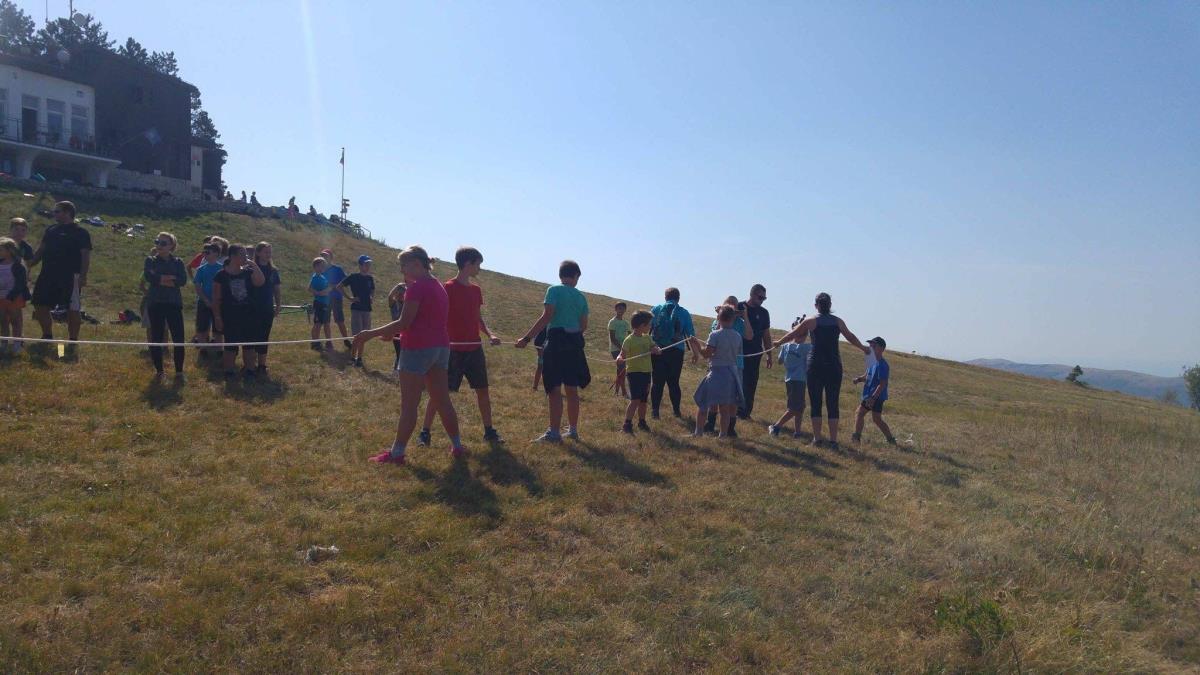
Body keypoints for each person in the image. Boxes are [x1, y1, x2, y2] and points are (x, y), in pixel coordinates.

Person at [356, 245, 466, 464]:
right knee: (442, 401)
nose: (401, 270)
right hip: (440, 348)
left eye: (403, 265)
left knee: (409, 406)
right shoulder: (438, 286)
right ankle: (457, 446)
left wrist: (369, 334)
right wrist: (393, 332)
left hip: (417, 349)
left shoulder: (416, 288)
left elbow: (404, 322)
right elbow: (420, 320)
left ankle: (397, 453)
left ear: (416, 264)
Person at [418, 247, 504, 444]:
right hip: (452, 350)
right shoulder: (447, 288)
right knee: (439, 393)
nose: (479, 268)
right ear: (467, 264)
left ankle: (489, 431)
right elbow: (436, 316)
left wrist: (490, 334)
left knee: (483, 391)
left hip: (474, 349)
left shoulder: (476, 290)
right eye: (478, 264)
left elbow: (478, 319)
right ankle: (425, 432)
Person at [775, 292, 870, 450]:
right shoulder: (838, 321)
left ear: (816, 306)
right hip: (834, 366)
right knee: (833, 403)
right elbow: (850, 336)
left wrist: (779, 342)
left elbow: (793, 333)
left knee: (816, 403)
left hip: (815, 366)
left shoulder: (811, 321)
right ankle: (833, 441)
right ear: (830, 305)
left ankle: (817, 439)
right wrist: (863, 348)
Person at [515, 260, 590, 443]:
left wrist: (526, 338)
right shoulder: (581, 297)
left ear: (560, 275)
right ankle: (573, 430)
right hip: (574, 346)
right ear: (576, 276)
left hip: (556, 343)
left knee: (554, 389)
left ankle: (554, 433)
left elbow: (547, 317)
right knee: (572, 390)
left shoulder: (553, 290)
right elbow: (583, 326)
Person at [29, 201, 91, 357]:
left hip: (70, 276)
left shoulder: (81, 232)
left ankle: (72, 340)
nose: (54, 214)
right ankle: (47, 335)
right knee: (39, 303)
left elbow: (85, 255)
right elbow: (41, 250)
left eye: (57, 211)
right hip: (48, 274)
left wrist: (83, 276)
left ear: (67, 212)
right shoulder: (51, 230)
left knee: (72, 309)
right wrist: (29, 264)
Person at [688, 305, 744, 438]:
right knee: (724, 408)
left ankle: (698, 432)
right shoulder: (737, 336)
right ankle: (723, 435)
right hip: (731, 375)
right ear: (733, 319)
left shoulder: (715, 335)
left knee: (703, 404)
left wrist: (696, 344)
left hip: (717, 373)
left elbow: (706, 354)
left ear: (719, 318)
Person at [212, 244, 265, 379]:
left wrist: (254, 265)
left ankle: (250, 370)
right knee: (230, 345)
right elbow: (216, 299)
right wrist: (217, 317)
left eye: (246, 254)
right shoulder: (221, 275)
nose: (245, 257)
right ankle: (229, 371)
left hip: (248, 315)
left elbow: (260, 282)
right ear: (232, 256)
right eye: (242, 254)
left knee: (249, 345)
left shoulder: (248, 272)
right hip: (229, 316)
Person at [704, 296, 755, 436]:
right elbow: (715, 334)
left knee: (733, 398)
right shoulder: (717, 321)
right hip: (717, 363)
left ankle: (730, 428)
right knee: (714, 394)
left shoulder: (740, 322)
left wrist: (745, 316)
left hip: (735, 365)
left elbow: (750, 336)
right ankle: (710, 423)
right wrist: (719, 317)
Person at [649, 288, 700, 419]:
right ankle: (676, 411)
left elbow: (647, 329)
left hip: (658, 350)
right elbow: (691, 335)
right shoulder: (684, 313)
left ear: (665, 297)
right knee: (674, 383)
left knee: (657, 382)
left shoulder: (656, 309)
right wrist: (695, 353)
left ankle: (655, 411)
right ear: (678, 298)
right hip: (676, 351)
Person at [143, 232, 188, 379]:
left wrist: (160, 279)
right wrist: (169, 279)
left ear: (171, 246)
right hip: (155, 303)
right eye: (157, 242)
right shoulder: (150, 260)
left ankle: (179, 371)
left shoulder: (178, 262)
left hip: (173, 303)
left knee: (178, 338)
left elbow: (182, 280)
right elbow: (150, 277)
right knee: (156, 337)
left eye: (163, 243)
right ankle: (159, 371)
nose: (159, 245)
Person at [617, 310, 660, 433]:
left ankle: (642, 422)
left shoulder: (647, 338)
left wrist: (656, 349)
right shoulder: (629, 340)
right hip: (634, 373)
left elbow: (654, 347)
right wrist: (619, 358)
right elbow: (622, 354)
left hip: (646, 373)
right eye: (649, 324)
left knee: (643, 400)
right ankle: (627, 424)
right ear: (642, 325)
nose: (650, 326)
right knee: (635, 400)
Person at [768, 315, 811, 438]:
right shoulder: (807, 347)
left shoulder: (785, 346)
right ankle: (776, 427)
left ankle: (797, 432)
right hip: (799, 380)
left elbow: (780, 361)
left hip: (789, 379)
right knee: (794, 408)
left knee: (800, 407)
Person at [738, 284, 773, 420]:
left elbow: (766, 335)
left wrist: (769, 354)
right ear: (752, 294)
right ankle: (733, 409)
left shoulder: (764, 313)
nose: (762, 300)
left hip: (755, 353)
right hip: (738, 352)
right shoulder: (739, 306)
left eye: (764, 298)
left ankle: (746, 412)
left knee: (751, 383)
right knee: (737, 380)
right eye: (760, 297)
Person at [852, 337, 897, 445]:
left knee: (859, 413)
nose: (870, 347)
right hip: (872, 395)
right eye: (870, 345)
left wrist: (873, 398)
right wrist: (859, 379)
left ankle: (856, 439)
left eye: (874, 346)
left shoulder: (882, 365)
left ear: (881, 349)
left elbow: (882, 384)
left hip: (875, 396)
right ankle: (891, 440)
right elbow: (867, 375)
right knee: (877, 419)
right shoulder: (872, 361)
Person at [337, 254, 376, 367]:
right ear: (360, 265)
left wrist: (371, 297)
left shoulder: (370, 278)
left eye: (369, 264)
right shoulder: (353, 277)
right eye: (365, 264)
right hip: (357, 309)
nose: (368, 266)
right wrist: (350, 298)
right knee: (357, 335)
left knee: (364, 335)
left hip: (367, 309)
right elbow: (339, 286)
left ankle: (359, 358)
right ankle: (352, 357)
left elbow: (372, 289)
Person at [251, 242, 282, 374]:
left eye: (270, 252)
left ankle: (262, 365)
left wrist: (278, 305)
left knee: (264, 336)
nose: (268, 254)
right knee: (252, 336)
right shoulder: (250, 268)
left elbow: (277, 289)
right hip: (252, 308)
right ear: (258, 253)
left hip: (267, 308)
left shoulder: (273, 271)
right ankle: (250, 365)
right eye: (266, 251)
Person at [6, 218, 33, 350]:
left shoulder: (26, 248)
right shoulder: (3, 244)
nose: (19, 233)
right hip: (3, 283)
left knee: (16, 314)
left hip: (18, 285)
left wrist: (24, 282)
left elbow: (28, 266)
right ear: (10, 230)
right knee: (3, 315)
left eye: (23, 230)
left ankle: (18, 340)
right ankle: (4, 341)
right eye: (16, 229)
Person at [0, 237, 30, 354]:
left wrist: (11, 297)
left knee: (15, 321)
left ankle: (17, 345)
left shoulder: (18, 266)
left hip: (14, 298)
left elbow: (20, 284)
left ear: (9, 251)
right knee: (3, 321)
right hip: (1, 298)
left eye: (1, 249)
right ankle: (4, 344)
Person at [192, 243, 223, 353]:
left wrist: (217, 301)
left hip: (218, 302)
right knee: (202, 326)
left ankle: (219, 349)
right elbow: (197, 286)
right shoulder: (201, 269)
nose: (204, 254)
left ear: (216, 253)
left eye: (207, 252)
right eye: (204, 252)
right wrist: (205, 300)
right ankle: (203, 349)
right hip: (203, 302)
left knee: (218, 327)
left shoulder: (222, 268)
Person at [319, 249, 351, 349]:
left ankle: (346, 340)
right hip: (324, 299)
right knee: (326, 321)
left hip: (336, 298)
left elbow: (346, 281)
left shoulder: (337, 269)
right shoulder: (320, 270)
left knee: (340, 320)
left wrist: (335, 286)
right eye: (322, 256)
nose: (324, 258)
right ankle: (328, 341)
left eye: (326, 256)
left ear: (331, 258)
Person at [309, 257, 333, 351]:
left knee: (321, 323)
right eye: (320, 266)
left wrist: (327, 290)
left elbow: (328, 287)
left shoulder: (322, 277)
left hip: (324, 303)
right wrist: (320, 292)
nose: (322, 268)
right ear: (315, 267)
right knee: (318, 323)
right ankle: (315, 342)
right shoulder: (315, 277)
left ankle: (316, 341)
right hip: (319, 303)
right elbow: (310, 288)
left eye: (323, 266)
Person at [607, 302, 630, 398]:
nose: (621, 310)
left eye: (623, 308)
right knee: (622, 371)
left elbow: (630, 336)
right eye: (619, 308)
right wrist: (622, 348)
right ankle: (623, 392)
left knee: (620, 370)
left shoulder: (626, 323)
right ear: (616, 309)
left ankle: (617, 391)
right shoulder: (612, 322)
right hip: (615, 349)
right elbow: (612, 338)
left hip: (624, 349)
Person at [386, 281, 406, 370]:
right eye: (399, 293)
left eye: (403, 294)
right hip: (395, 331)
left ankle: (398, 368)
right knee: (399, 351)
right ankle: (396, 369)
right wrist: (397, 286)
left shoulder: (407, 304)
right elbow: (390, 296)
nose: (400, 295)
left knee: (403, 351)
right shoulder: (393, 304)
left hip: (405, 331)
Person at [531, 327, 547, 391]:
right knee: (541, 366)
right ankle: (535, 387)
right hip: (541, 345)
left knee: (541, 367)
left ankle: (536, 387)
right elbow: (537, 342)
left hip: (543, 345)